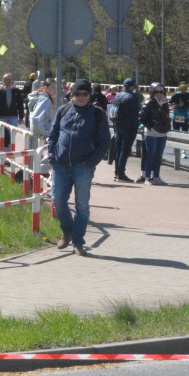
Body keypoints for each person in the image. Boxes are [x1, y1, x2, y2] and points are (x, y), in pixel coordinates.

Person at [46, 78, 111, 256]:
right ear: (72, 95)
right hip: (61, 165)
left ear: (90, 95)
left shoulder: (98, 114)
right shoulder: (63, 110)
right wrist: (52, 156)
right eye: (78, 94)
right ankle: (67, 232)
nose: (81, 97)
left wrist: (90, 163)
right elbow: (53, 134)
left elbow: (105, 142)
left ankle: (78, 241)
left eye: (85, 94)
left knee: (82, 205)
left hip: (83, 167)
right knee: (58, 200)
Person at [137, 83, 171, 185]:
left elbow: (166, 116)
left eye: (161, 91)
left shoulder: (165, 103)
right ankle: (148, 177)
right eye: (157, 92)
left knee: (158, 156)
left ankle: (156, 177)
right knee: (150, 156)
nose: (159, 94)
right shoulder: (148, 103)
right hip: (151, 134)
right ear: (152, 92)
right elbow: (141, 117)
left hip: (163, 133)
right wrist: (151, 125)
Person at [112, 78, 141, 183]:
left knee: (119, 149)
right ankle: (121, 174)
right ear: (132, 86)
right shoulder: (131, 98)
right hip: (128, 127)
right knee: (125, 150)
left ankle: (117, 173)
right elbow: (135, 113)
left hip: (117, 125)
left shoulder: (118, 96)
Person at [0, 72, 24, 150]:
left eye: (10, 79)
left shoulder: (16, 91)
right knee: (4, 136)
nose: (9, 81)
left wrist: (21, 117)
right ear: (3, 81)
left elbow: (20, 105)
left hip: (13, 117)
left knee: (11, 136)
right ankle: (5, 154)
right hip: (2, 117)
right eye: (7, 79)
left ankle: (8, 156)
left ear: (12, 81)